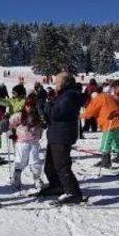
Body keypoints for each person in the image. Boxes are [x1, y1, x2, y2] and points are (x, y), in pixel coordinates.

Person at [38, 72, 84, 204]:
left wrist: (45, 105)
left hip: (62, 135)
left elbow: (56, 114)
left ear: (64, 83)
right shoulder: (64, 95)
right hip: (56, 134)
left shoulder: (69, 96)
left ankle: (73, 193)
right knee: (50, 166)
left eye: (57, 81)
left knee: (62, 165)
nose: (55, 83)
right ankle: (57, 185)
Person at [81, 88, 119, 168]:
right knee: (116, 140)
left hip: (109, 122)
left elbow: (90, 112)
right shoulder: (108, 96)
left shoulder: (97, 99)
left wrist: (80, 116)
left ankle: (106, 162)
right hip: (117, 120)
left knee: (106, 142)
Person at [9, 96, 44, 190]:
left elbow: (40, 128)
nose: (29, 108)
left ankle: (37, 179)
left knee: (35, 162)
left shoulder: (37, 116)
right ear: (25, 106)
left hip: (33, 142)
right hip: (21, 141)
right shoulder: (19, 116)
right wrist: (11, 133)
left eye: (31, 106)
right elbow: (10, 124)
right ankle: (16, 180)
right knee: (20, 161)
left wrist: (40, 134)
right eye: (28, 105)